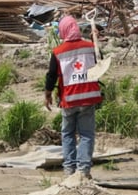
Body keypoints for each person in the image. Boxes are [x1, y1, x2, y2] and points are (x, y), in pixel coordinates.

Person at [44, 15, 103, 179]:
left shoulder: (58, 52)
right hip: (88, 97)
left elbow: (51, 76)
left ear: (63, 30)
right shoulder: (90, 47)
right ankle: (84, 171)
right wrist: (95, 41)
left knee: (68, 133)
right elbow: (100, 62)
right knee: (86, 134)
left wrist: (47, 94)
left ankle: (69, 170)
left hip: (69, 99)